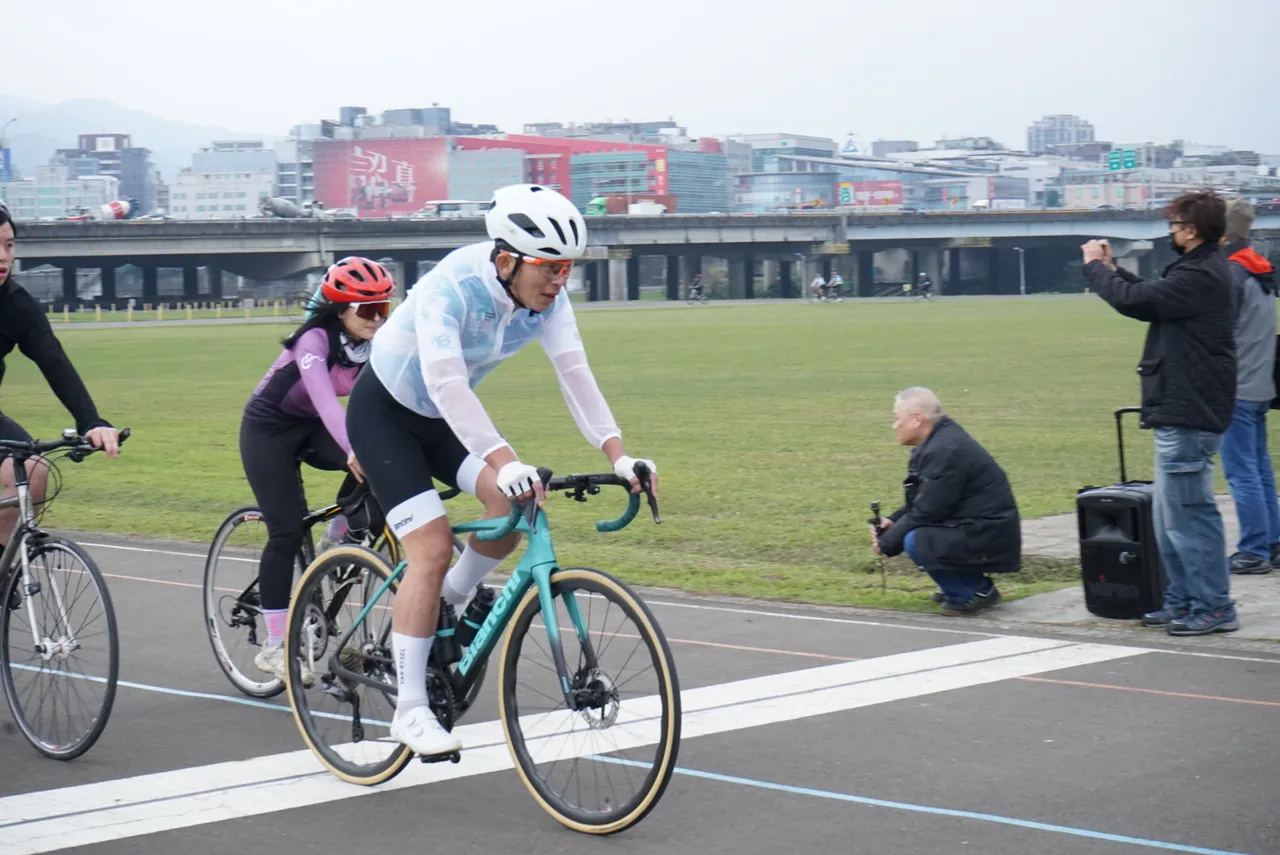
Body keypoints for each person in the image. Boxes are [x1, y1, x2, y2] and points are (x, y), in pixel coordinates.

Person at [345, 183, 658, 758]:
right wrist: (504, 458)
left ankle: (449, 604)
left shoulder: (550, 301)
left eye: (568, 267)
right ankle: (410, 710)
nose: (560, 279)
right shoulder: (452, 286)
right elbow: (445, 381)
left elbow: (575, 373)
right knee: (432, 549)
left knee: (517, 507)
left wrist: (618, 454)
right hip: (385, 413)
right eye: (550, 266)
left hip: (441, 419)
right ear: (507, 258)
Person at [1081, 189, 1238, 636]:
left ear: (1190, 229)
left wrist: (1094, 268)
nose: (1169, 231)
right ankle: (1185, 599)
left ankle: (1214, 606)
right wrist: (1112, 270)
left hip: (1189, 412)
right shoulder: (1197, 269)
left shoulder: (1203, 274)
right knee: (1168, 520)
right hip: (1178, 409)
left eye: (1173, 224)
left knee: (1189, 518)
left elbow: (1136, 302)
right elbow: (1150, 296)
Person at [239, 256, 392, 683]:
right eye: (367, 310)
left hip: (306, 427)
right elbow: (327, 403)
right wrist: (351, 449)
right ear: (340, 309)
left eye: (384, 308)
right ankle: (274, 645)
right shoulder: (314, 341)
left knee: (379, 455)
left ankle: (336, 538)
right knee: (285, 532)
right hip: (267, 430)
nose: (378, 318)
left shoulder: (373, 344)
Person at [0, 203, 121, 546]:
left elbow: (54, 361)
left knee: (34, 470)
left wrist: (91, 421)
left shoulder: (16, 304)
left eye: (9, 245)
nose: (3, 256)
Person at [870, 387, 1020, 615]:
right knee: (917, 534)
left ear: (917, 418)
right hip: (976, 526)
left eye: (896, 419)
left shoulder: (945, 449)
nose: (894, 426)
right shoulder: (938, 441)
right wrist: (891, 521)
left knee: (917, 540)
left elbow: (929, 510)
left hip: (989, 532)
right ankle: (958, 583)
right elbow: (924, 499)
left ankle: (974, 590)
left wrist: (888, 542)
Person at [1218, 197, 1278, 575]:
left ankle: (1254, 549)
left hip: (1235, 386)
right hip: (1261, 383)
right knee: (1260, 470)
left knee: (1241, 473)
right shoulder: (1261, 270)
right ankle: (1272, 543)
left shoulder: (1230, 274)